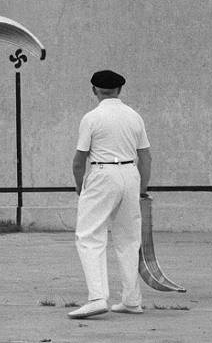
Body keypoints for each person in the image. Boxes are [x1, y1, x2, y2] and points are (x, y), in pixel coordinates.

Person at [68, 69, 152, 319]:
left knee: (89, 235)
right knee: (128, 239)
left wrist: (80, 186)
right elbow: (146, 156)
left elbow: (78, 160)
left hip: (102, 174)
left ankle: (96, 298)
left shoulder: (92, 118)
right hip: (130, 173)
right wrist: (143, 189)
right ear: (120, 90)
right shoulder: (134, 117)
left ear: (94, 90)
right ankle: (132, 300)